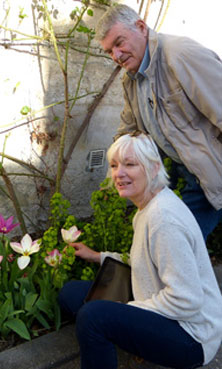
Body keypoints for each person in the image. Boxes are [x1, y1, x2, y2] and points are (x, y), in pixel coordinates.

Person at [58, 132, 222, 369]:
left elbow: (187, 299)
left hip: (192, 337)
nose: (119, 173)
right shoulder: (149, 205)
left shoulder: (163, 219)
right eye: (114, 165)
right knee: (72, 294)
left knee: (94, 317)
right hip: (162, 304)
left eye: (130, 164)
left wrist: (127, 311)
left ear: (154, 168)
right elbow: (145, 262)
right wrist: (98, 256)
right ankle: (127, 339)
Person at [94, 3, 222, 241]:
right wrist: (113, 173)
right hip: (176, 171)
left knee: (177, 244)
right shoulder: (131, 78)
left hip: (210, 172)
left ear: (141, 27)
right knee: (168, 243)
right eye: (109, 51)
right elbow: (128, 129)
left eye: (119, 42)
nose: (116, 56)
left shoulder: (180, 55)